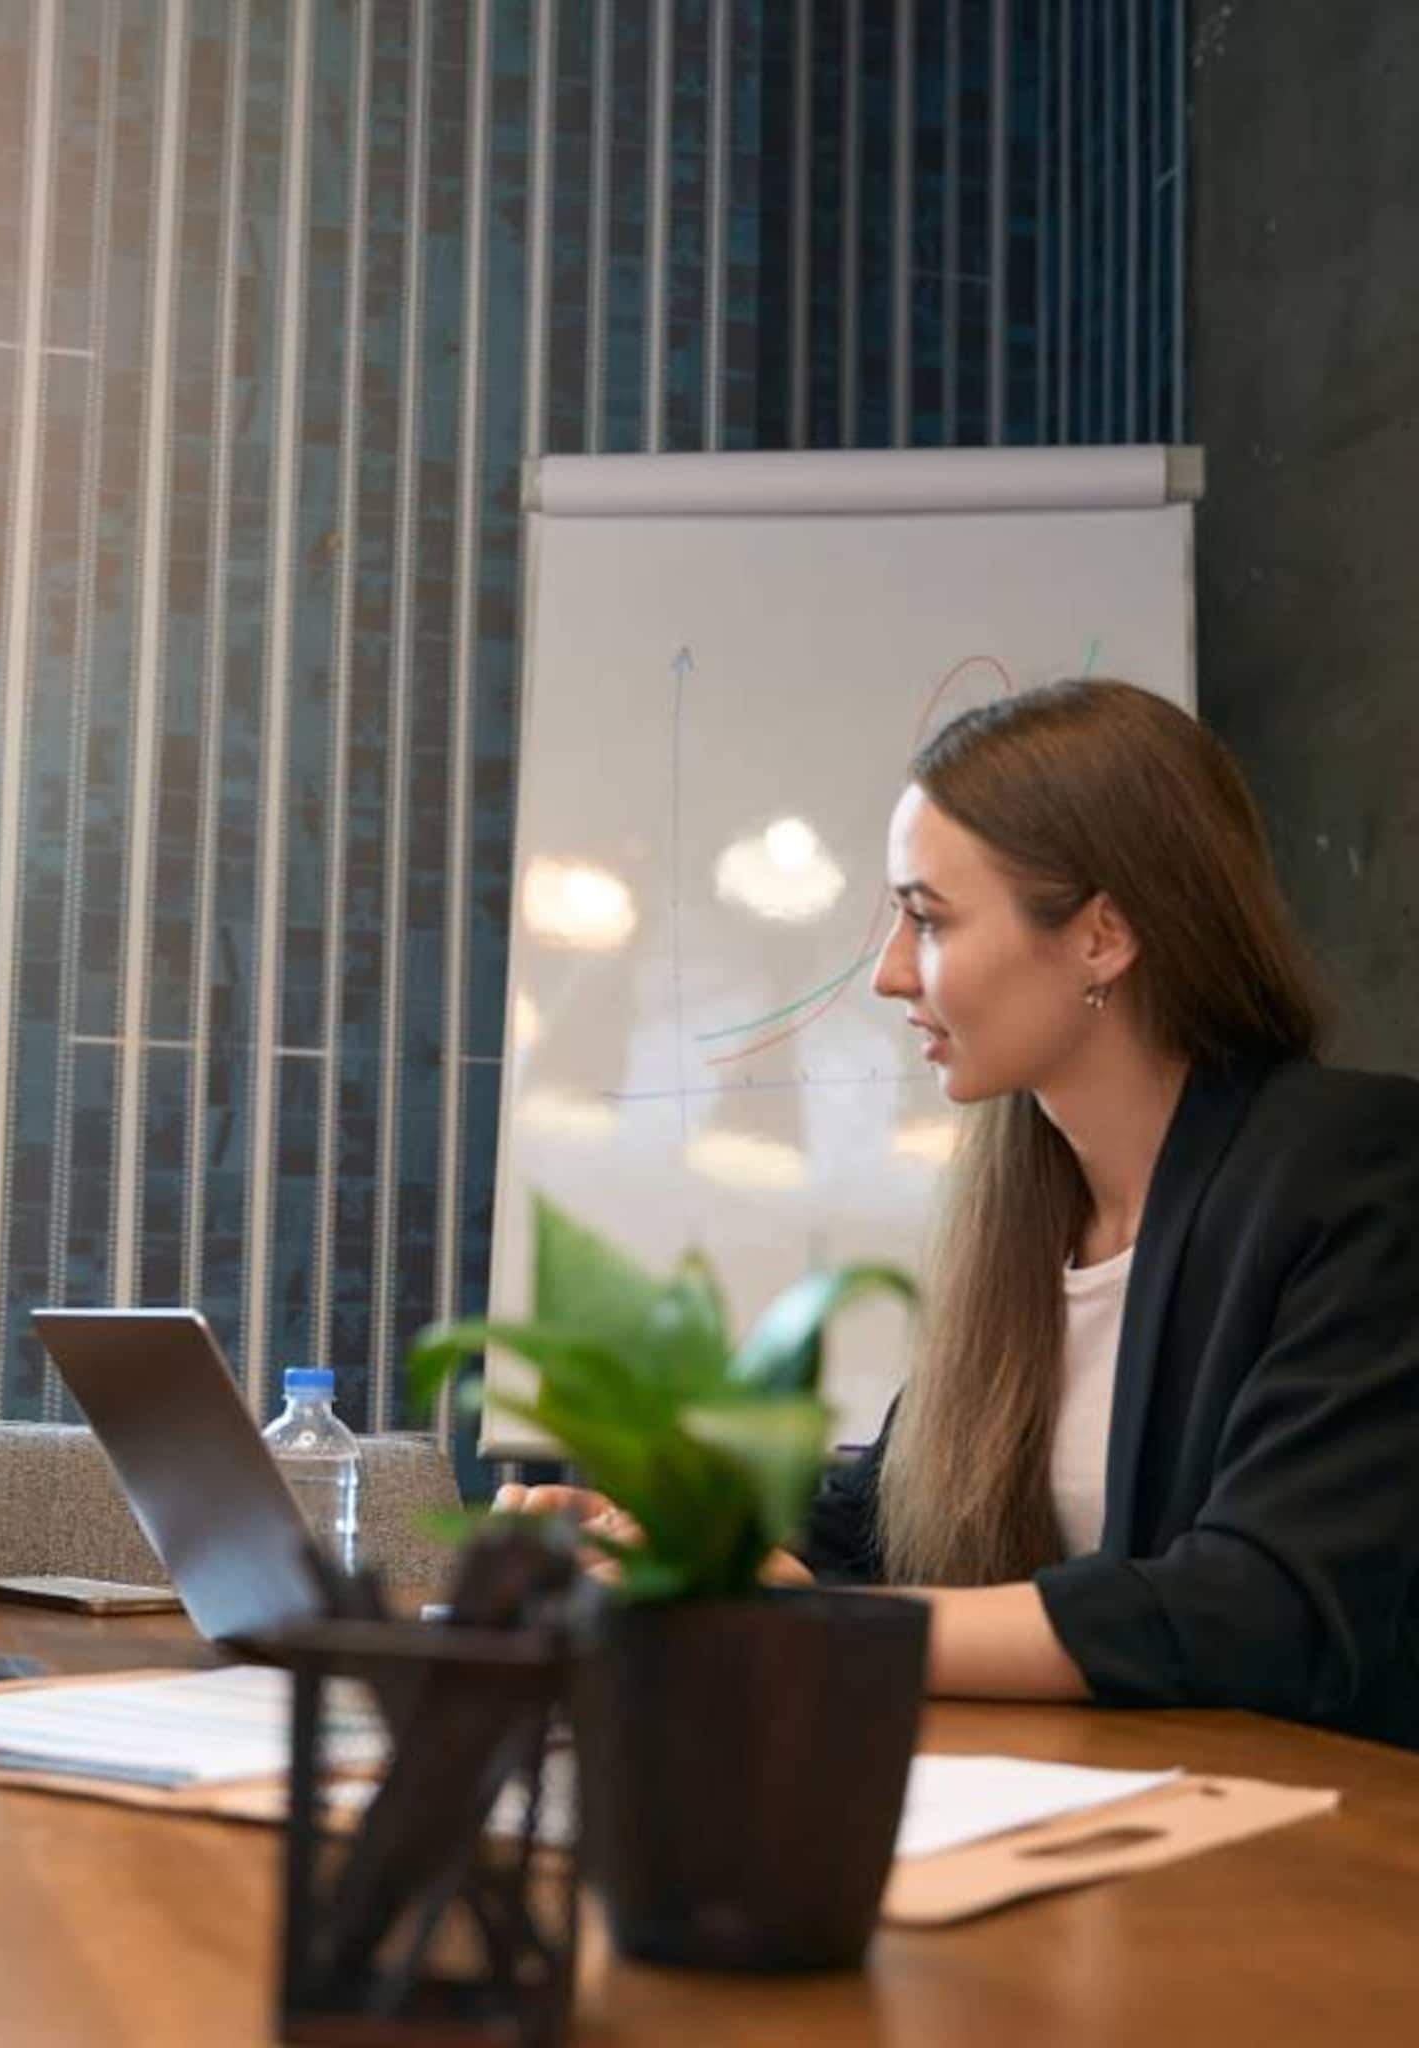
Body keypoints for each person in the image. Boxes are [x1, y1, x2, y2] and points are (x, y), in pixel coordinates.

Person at [502, 680, 1419, 1748]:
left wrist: (803, 1626)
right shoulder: (1024, 1207)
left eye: (928, 919)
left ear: (1102, 934)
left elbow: (1262, 1609)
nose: (890, 973)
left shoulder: (1354, 1168)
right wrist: (681, 1556)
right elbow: (879, 1532)